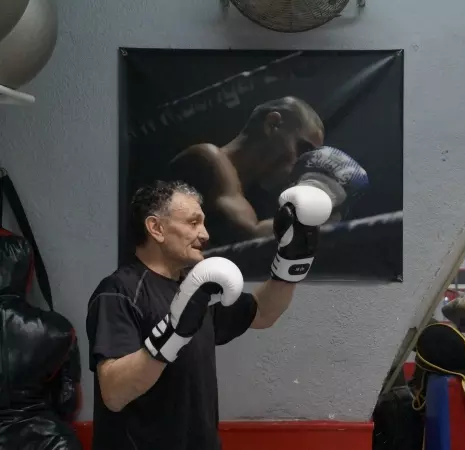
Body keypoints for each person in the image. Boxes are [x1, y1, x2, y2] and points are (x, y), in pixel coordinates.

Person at [85, 180, 332, 450]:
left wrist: (292, 261)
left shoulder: (193, 290)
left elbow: (263, 312)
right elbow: (114, 393)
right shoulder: (119, 291)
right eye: (193, 223)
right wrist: (174, 331)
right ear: (156, 228)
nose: (204, 234)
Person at [167, 96, 367, 248]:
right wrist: (321, 206)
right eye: (302, 149)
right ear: (273, 124)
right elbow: (252, 238)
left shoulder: (254, 197)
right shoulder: (206, 158)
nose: (302, 162)